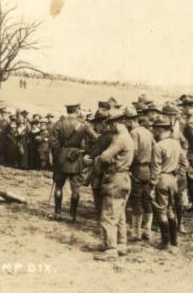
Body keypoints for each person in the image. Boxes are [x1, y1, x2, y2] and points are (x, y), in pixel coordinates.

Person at [93, 108, 134, 261]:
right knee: (120, 215)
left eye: (110, 123)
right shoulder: (128, 137)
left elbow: (104, 157)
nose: (109, 126)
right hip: (124, 177)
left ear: (116, 123)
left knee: (108, 215)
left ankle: (110, 249)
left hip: (115, 178)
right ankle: (121, 245)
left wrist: (96, 160)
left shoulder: (120, 138)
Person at [51, 103, 98, 222]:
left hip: (61, 157)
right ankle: (72, 215)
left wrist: (56, 158)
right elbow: (95, 139)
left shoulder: (59, 123)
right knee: (75, 188)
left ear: (67, 111)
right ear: (77, 110)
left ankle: (57, 213)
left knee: (59, 186)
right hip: (76, 158)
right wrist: (85, 151)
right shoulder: (83, 124)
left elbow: (53, 144)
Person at [150, 115, 183, 250]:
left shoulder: (158, 146)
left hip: (162, 179)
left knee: (161, 211)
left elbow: (156, 169)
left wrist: (152, 186)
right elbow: (182, 162)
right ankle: (174, 240)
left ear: (159, 129)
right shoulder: (176, 143)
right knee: (171, 209)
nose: (154, 131)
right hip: (173, 179)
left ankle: (165, 242)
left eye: (155, 128)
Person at [125, 106, 155, 242]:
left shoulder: (134, 133)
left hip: (137, 169)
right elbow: (155, 149)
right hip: (147, 169)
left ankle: (136, 232)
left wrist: (128, 166)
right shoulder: (148, 132)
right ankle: (147, 231)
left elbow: (134, 152)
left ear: (130, 120)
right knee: (147, 200)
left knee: (136, 201)